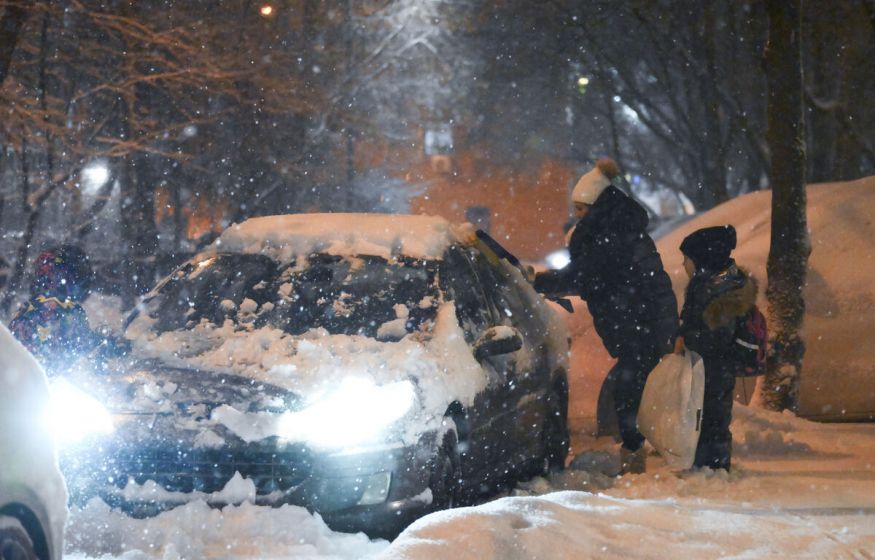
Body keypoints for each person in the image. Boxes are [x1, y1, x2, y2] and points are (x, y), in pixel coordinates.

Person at [534, 159, 678, 474]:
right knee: (632, 389)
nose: (578, 215)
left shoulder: (609, 238)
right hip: (639, 322)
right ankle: (638, 452)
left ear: (597, 206)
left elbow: (584, 275)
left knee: (629, 391)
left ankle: (637, 455)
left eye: (582, 209)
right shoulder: (620, 231)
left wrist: (539, 281)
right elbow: (592, 277)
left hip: (638, 324)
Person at [675, 225, 757, 471]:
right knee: (708, 415)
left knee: (710, 417)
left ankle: (713, 466)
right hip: (712, 366)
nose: (683, 265)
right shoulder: (714, 283)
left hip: (714, 366)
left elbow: (716, 336)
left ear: (702, 258)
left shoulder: (716, 290)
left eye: (687, 259)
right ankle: (709, 463)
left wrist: (688, 338)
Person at [8, 245, 102, 372]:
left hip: (47, 380)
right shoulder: (44, 309)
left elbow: (80, 344)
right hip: (39, 381)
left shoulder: (68, 310)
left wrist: (102, 343)